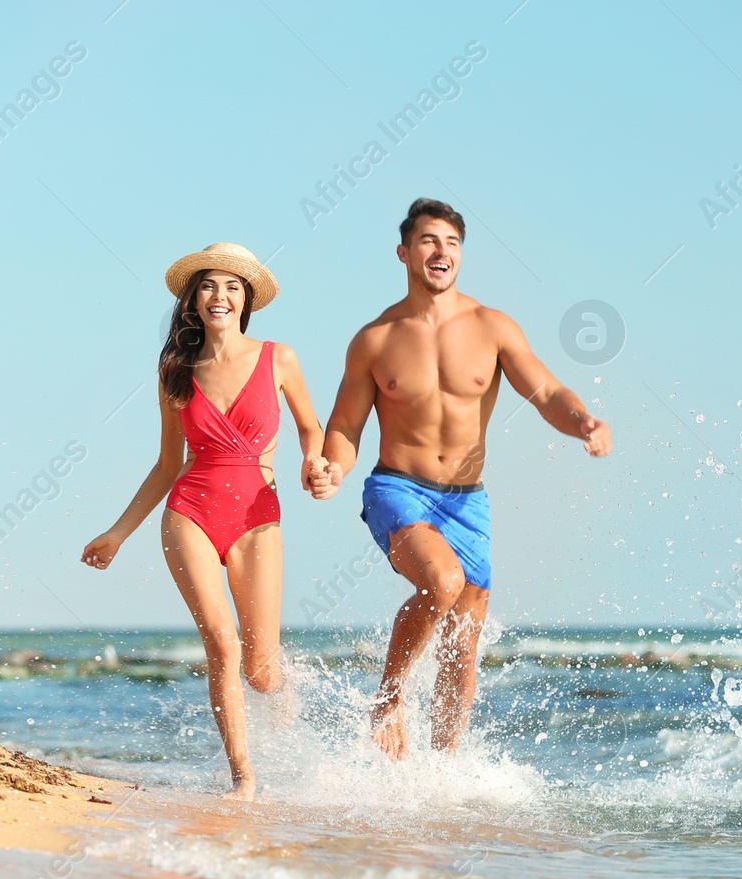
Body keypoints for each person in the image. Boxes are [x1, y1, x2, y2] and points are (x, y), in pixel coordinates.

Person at [310, 198, 612, 760]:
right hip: (398, 488)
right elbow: (346, 425)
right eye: (427, 240)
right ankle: (389, 699)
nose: (440, 251)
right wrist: (332, 465)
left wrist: (583, 422)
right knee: (441, 582)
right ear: (404, 253)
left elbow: (545, 392)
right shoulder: (375, 339)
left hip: (468, 503)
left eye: (450, 243)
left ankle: (443, 780)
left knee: (462, 647)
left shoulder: (492, 327)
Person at [83, 243, 327, 800]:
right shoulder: (176, 371)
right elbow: (170, 463)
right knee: (221, 643)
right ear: (193, 300)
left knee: (262, 671)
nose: (221, 295)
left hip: (257, 516)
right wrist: (118, 533)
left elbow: (311, 429)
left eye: (233, 287)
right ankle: (243, 779)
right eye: (210, 286)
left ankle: (288, 713)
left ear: (246, 301)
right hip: (190, 510)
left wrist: (314, 461)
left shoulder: (278, 358)